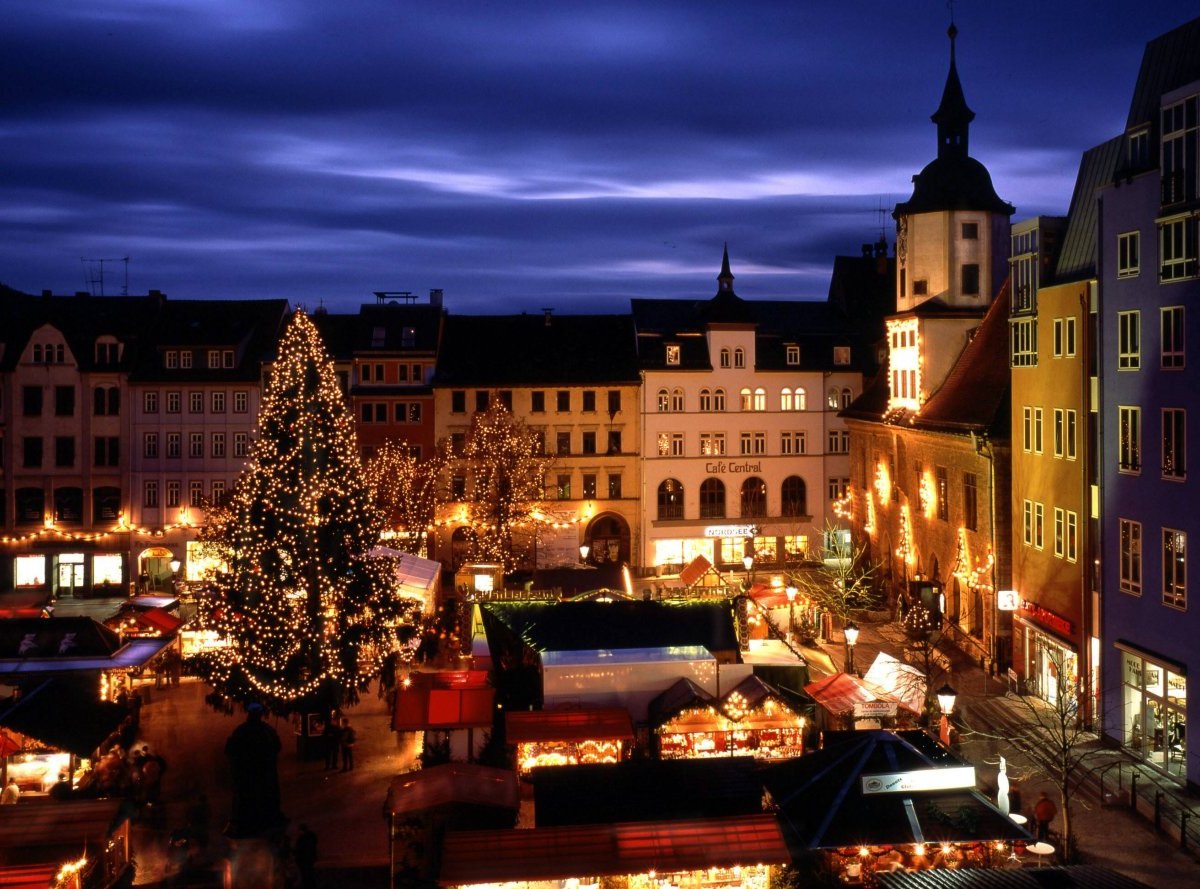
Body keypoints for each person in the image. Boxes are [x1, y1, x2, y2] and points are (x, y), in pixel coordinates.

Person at [294, 823, 318, 889]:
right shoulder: (312, 836)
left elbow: (299, 850)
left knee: (305, 876)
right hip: (310, 859)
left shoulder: (301, 839)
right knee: (310, 874)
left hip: (304, 860)